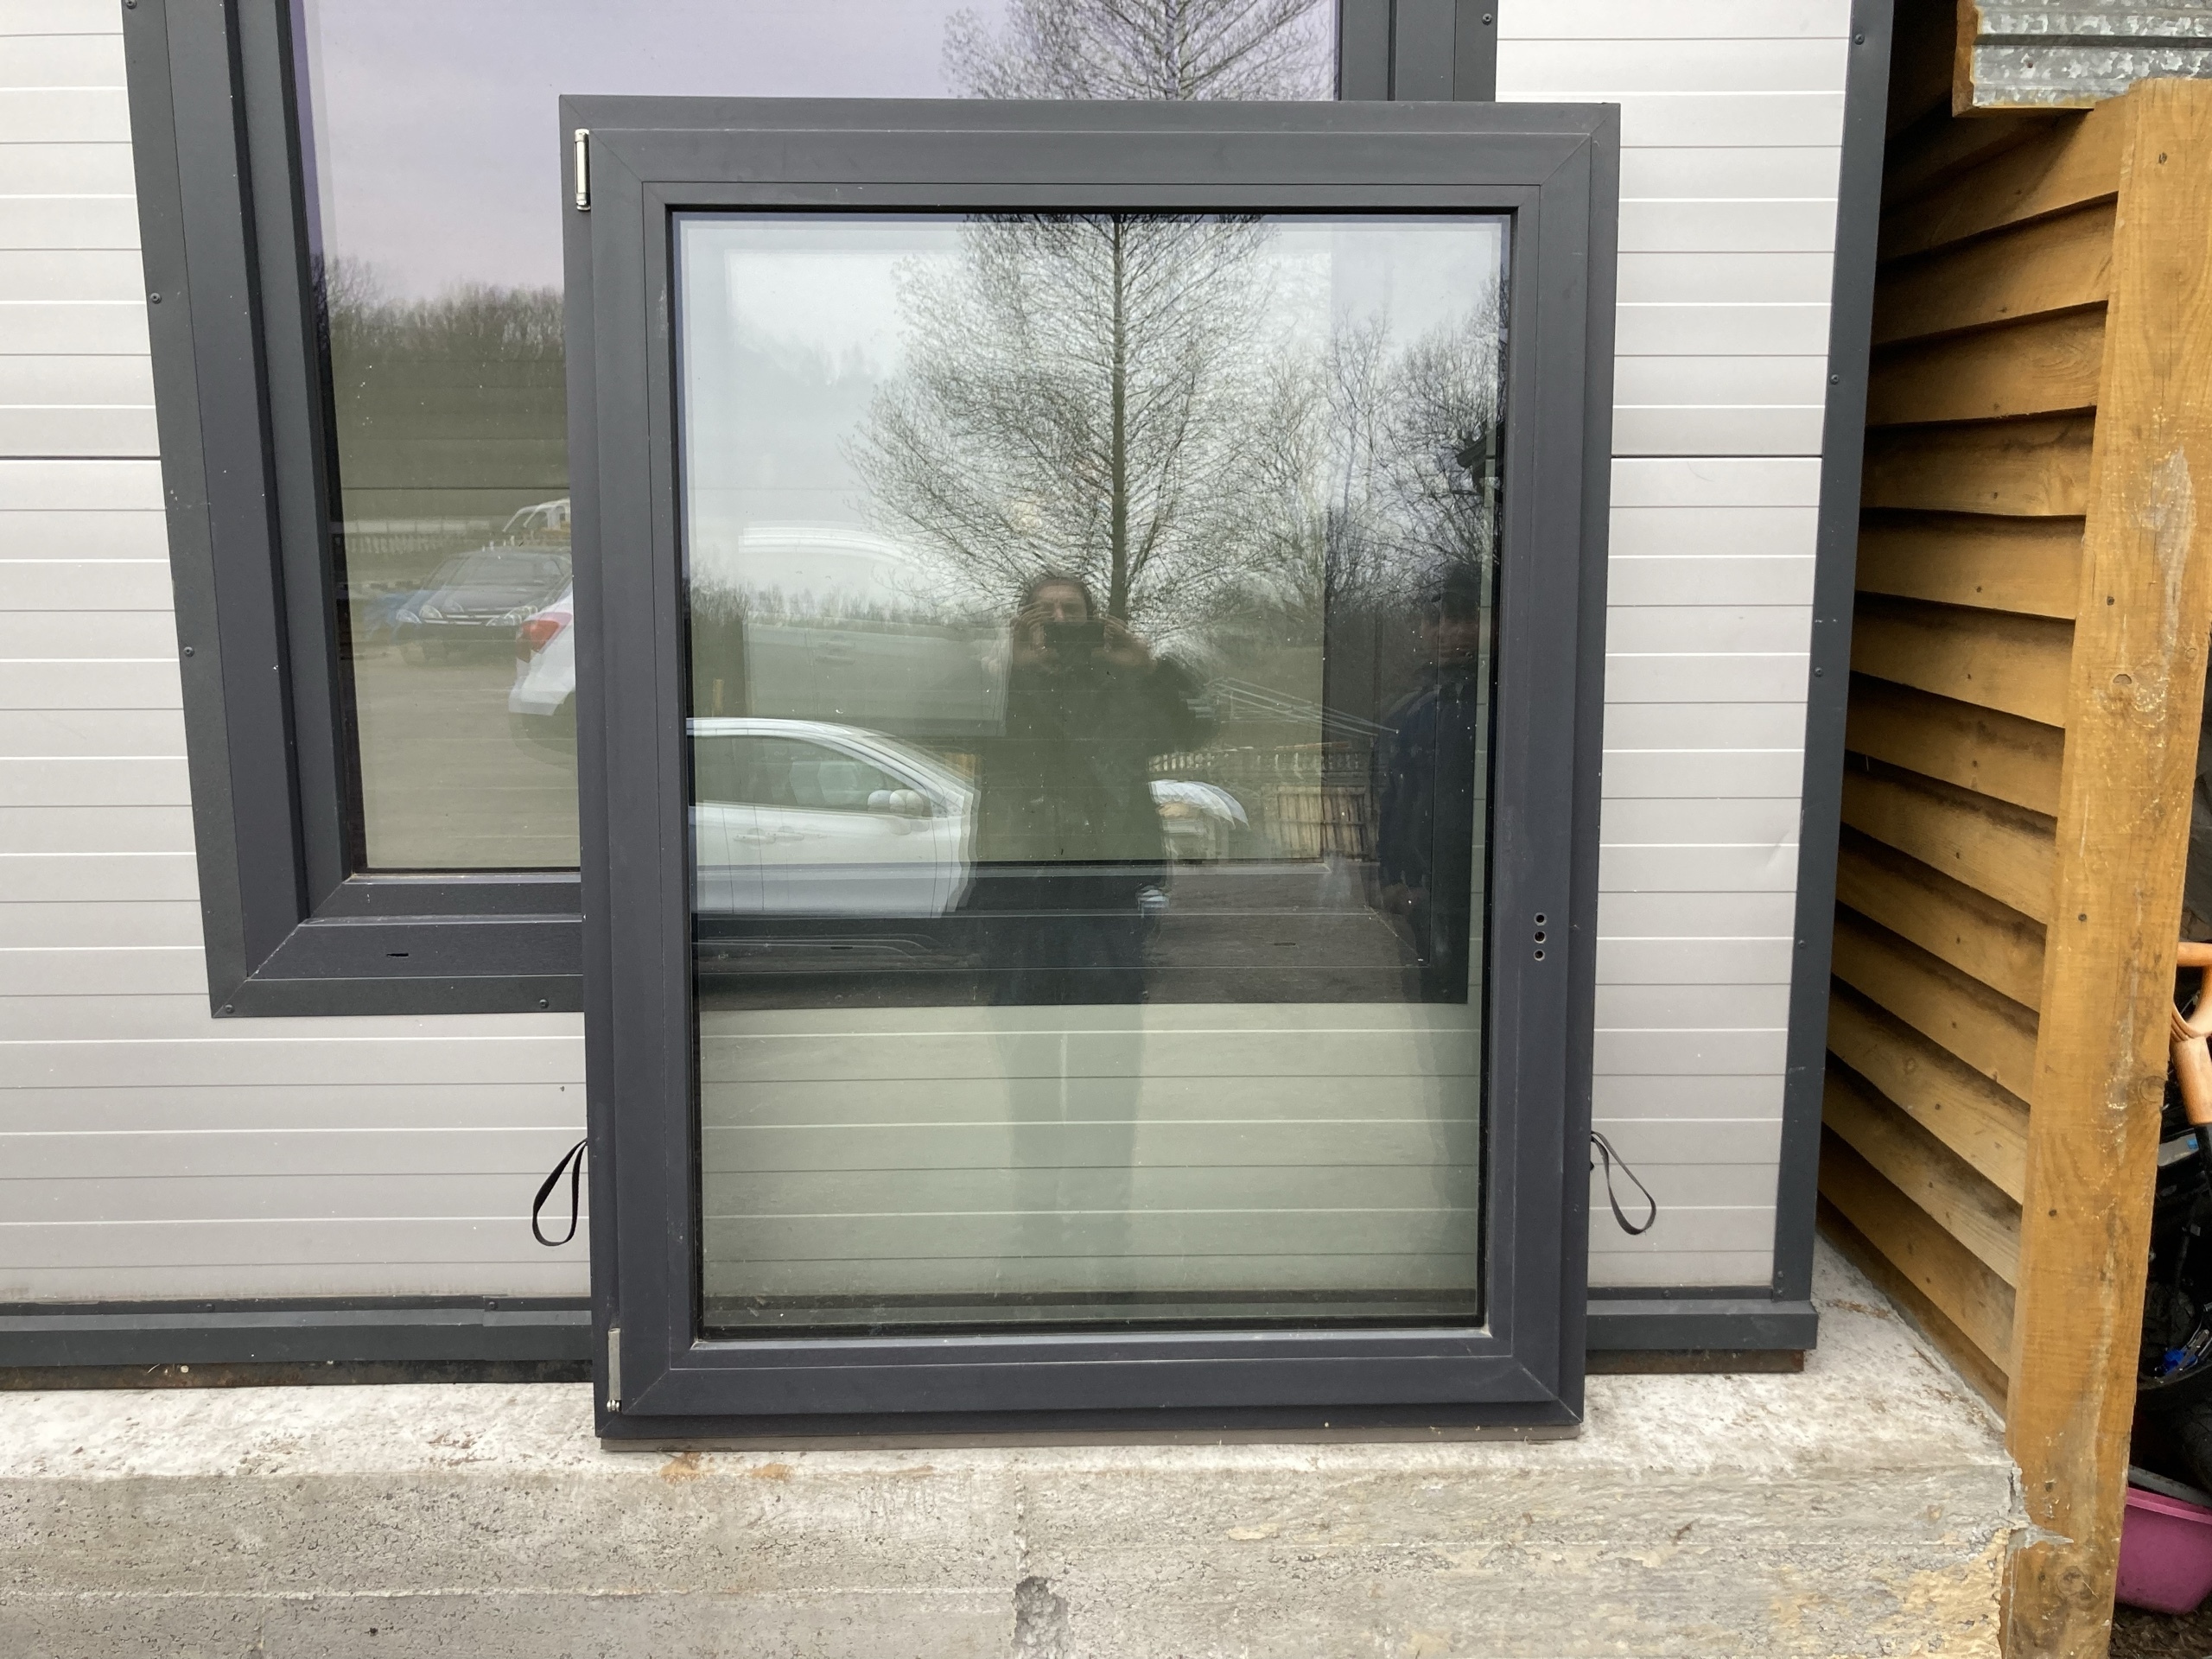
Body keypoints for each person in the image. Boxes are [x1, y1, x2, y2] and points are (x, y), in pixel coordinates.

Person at [963, 572, 1215, 1004]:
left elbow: (1198, 727)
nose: (1059, 619)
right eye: (1045, 611)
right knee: (1025, 1028)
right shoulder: (1004, 683)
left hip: (1107, 888)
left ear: (1094, 623)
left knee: (1107, 1031)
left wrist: (1149, 668)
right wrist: (1006, 670)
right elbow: (934, 722)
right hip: (1019, 887)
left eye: (1072, 610)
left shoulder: (1119, 687)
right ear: (1024, 623)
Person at [1373, 562, 1488, 1003]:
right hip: (1423, 898)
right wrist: (1391, 877)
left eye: (1461, 618)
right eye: (1434, 619)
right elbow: (1394, 799)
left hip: (1488, 898)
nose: (1445, 632)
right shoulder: (1414, 710)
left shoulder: (1513, 701)